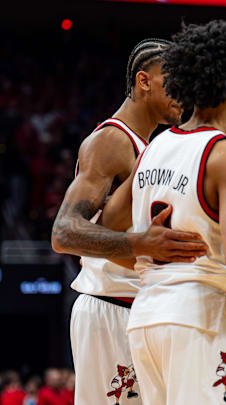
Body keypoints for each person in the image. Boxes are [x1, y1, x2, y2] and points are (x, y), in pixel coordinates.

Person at [98, 20, 226, 405]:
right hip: (200, 315)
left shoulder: (154, 147)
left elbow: (107, 230)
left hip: (146, 317)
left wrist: (145, 251)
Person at [50, 38, 207, 405]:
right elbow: (64, 232)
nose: (183, 94)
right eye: (174, 81)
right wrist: (140, 245)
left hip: (141, 306)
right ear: (144, 80)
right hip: (109, 306)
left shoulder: (153, 144)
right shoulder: (111, 141)